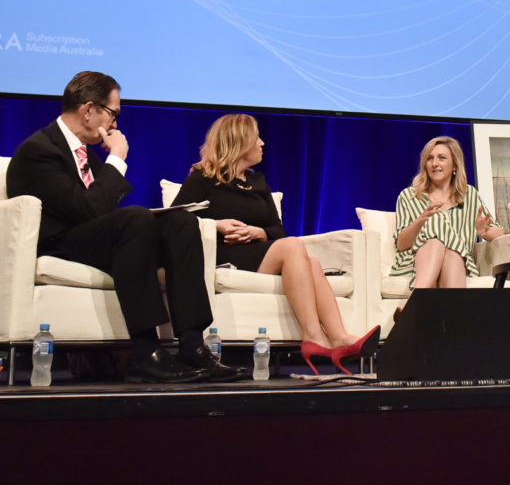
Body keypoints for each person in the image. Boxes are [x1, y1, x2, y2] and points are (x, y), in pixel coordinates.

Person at [5, 71, 247, 382]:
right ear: (89, 110)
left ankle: (192, 347)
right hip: (59, 244)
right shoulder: (40, 150)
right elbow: (88, 210)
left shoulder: (86, 155)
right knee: (135, 218)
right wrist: (118, 158)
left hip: (94, 240)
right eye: (113, 113)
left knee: (181, 222)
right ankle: (146, 352)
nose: (116, 124)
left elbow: (100, 211)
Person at [172, 113, 380, 375]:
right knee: (292, 246)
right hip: (225, 256)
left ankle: (338, 337)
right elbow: (175, 220)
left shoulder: (257, 181)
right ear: (239, 141)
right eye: (256, 137)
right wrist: (216, 224)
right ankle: (313, 335)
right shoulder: (202, 178)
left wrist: (258, 232)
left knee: (312, 262)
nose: (262, 143)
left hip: (259, 254)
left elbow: (277, 229)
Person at [392, 136, 503, 291]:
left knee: (452, 254)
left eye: (442, 158)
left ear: (455, 166)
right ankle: (418, 303)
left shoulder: (469, 195)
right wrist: (420, 222)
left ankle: (413, 306)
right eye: (430, 158)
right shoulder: (409, 196)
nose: (434, 163)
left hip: (458, 259)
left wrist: (485, 231)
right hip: (417, 261)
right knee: (435, 242)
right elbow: (401, 244)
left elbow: (499, 233)